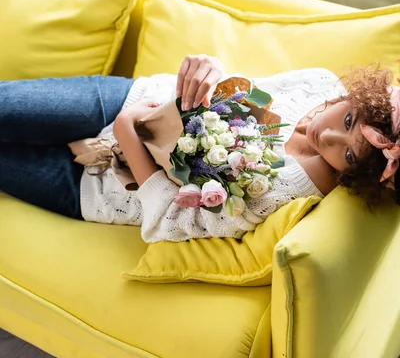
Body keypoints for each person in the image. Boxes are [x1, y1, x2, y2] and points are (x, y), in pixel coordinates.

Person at [0, 55, 398, 242]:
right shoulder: (319, 83)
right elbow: (241, 93)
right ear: (362, 97)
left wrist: (126, 134)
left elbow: (172, 223)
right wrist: (211, 71)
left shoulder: (290, 194)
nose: (326, 137)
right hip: (119, 101)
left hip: (95, 188)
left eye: (347, 155)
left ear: (354, 176)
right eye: (348, 122)